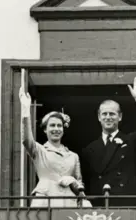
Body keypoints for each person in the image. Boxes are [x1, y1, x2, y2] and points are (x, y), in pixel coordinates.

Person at [81, 76, 136, 207]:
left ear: (119, 117)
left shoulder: (130, 140)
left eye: (112, 114)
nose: (108, 117)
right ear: (99, 117)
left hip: (126, 204)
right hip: (99, 205)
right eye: (104, 114)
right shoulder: (90, 149)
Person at [19, 75, 91, 208]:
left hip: (68, 202)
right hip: (45, 200)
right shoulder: (39, 150)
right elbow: (26, 139)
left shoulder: (73, 156)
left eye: (59, 126)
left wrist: (74, 182)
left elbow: (80, 187)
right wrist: (25, 111)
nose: (56, 129)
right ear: (45, 130)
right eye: (52, 126)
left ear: (63, 130)